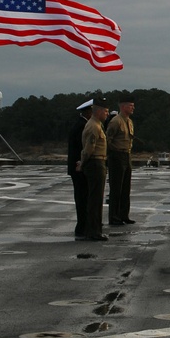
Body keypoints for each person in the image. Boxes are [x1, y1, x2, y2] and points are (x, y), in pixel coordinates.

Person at [78, 96, 110, 241]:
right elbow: (88, 149)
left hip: (98, 163)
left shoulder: (95, 124)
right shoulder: (93, 126)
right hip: (95, 164)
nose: (107, 114)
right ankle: (93, 231)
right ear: (98, 111)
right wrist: (82, 164)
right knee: (95, 200)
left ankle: (95, 230)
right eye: (106, 111)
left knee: (96, 199)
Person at [105, 94, 136, 226]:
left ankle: (124, 215)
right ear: (123, 107)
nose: (133, 108)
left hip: (126, 155)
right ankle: (114, 217)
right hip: (117, 156)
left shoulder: (128, 121)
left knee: (125, 188)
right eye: (131, 106)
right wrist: (112, 154)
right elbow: (108, 140)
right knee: (116, 188)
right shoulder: (116, 121)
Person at [68, 99, 93, 240]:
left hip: (78, 166)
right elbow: (81, 148)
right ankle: (82, 227)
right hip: (79, 167)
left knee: (83, 197)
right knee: (82, 198)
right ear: (88, 112)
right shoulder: (82, 126)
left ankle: (83, 226)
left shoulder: (81, 124)